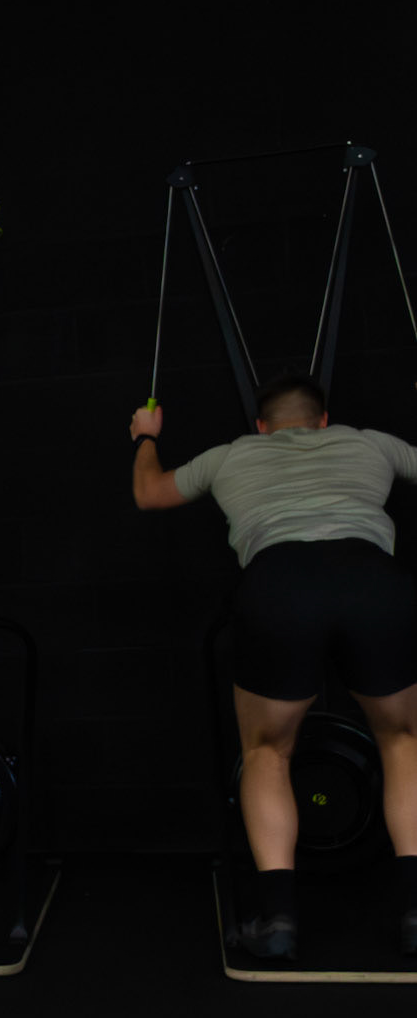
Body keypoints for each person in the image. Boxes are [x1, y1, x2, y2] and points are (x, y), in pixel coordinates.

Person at [131, 375, 417, 957]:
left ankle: (279, 922)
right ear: (323, 420)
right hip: (373, 581)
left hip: (279, 584)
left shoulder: (229, 455)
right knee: (403, 739)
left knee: (266, 751)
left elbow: (149, 493)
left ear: (262, 427)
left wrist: (145, 436)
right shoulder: (370, 443)